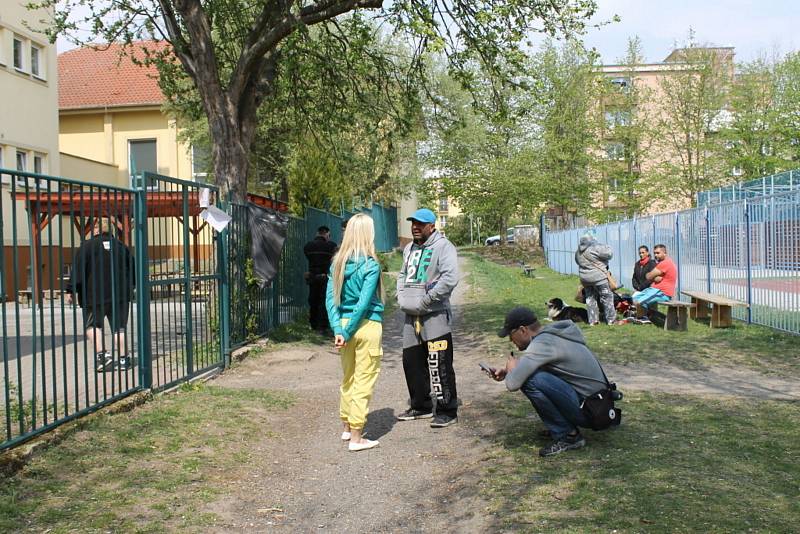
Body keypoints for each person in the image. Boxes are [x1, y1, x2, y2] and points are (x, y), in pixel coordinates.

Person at [489, 306, 611, 457]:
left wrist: (513, 371)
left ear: (522, 330)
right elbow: (535, 363)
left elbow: (513, 384)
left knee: (530, 380)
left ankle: (568, 436)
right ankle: (564, 428)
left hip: (592, 411)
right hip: (600, 405)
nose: (510, 340)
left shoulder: (541, 344)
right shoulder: (552, 335)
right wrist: (509, 371)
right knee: (532, 374)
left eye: (511, 334)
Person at [325, 214, 385, 452]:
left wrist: (339, 329)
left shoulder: (337, 262)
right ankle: (357, 438)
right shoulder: (371, 264)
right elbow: (364, 302)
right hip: (367, 325)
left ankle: (347, 427)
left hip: (344, 322)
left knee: (348, 377)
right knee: (364, 380)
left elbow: (330, 299)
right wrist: (348, 331)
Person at [396, 208, 460, 428]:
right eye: (413, 223)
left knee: (439, 363)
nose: (415, 227)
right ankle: (420, 406)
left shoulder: (444, 247)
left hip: (435, 316)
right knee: (412, 363)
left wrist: (426, 301)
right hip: (410, 317)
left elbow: (450, 278)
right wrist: (401, 296)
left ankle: (447, 410)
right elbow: (403, 275)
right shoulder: (408, 249)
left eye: (420, 224)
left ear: (432, 226)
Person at [66, 218, 135, 372]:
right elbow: (132, 270)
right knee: (119, 328)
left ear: (95, 229)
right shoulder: (121, 247)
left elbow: (78, 270)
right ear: (111, 230)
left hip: (94, 297)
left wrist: (71, 290)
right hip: (120, 296)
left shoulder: (86, 247)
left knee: (92, 326)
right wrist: (131, 287)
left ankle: (103, 356)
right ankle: (124, 360)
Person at [574, 233, 616, 325]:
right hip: (599, 278)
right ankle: (611, 320)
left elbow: (577, 262)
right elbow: (609, 254)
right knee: (606, 297)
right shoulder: (594, 248)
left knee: (590, 298)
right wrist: (605, 246)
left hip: (585, 279)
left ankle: (593, 321)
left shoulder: (578, 252)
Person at [304, 226, 338, 333]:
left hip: (312, 276)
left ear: (317, 233)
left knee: (313, 300)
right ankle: (322, 326)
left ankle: (313, 324)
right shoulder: (331, 246)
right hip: (325, 277)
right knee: (324, 301)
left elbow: (308, 256)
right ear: (327, 234)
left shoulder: (308, 246)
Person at [633, 244, 678, 322]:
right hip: (655, 289)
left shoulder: (665, 263)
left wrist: (651, 276)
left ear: (665, 253)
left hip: (662, 292)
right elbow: (654, 277)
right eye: (655, 253)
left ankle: (644, 318)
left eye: (658, 253)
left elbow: (648, 276)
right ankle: (643, 317)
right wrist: (655, 277)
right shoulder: (662, 263)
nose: (656, 255)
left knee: (639, 301)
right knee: (635, 297)